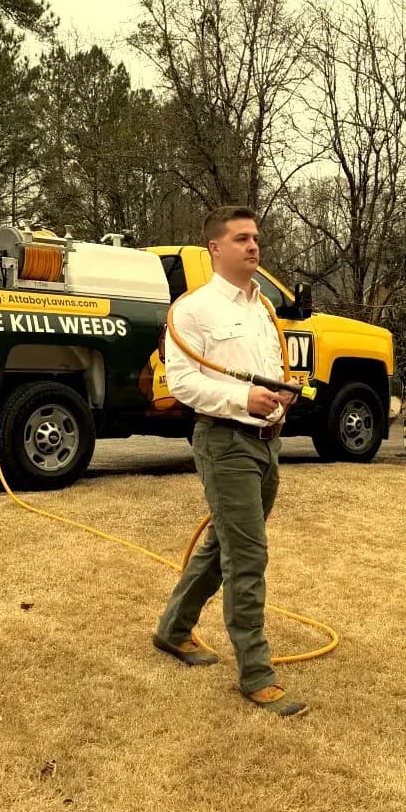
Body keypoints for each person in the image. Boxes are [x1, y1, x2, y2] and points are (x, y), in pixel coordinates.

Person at [152, 206, 308, 718]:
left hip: (267, 442)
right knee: (247, 556)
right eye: (241, 239)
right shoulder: (192, 311)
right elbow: (183, 383)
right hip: (225, 443)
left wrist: (281, 398)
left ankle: (174, 630)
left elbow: (269, 371)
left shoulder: (263, 308)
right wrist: (244, 402)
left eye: (256, 238)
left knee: (225, 541)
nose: (253, 246)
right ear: (215, 248)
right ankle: (256, 674)